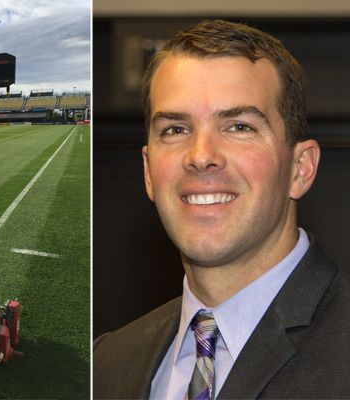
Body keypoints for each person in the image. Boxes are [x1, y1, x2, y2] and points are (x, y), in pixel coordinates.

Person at [93, 19, 350, 398]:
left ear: (301, 168)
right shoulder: (107, 363)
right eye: (176, 129)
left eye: (239, 126)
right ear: (148, 172)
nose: (201, 156)